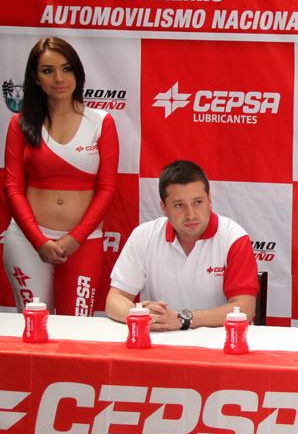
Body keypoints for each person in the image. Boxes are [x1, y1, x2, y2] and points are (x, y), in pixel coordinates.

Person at [3, 37, 118, 315]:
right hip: (27, 242)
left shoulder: (102, 122)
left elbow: (106, 189)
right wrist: (38, 241)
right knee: (32, 326)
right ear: (35, 78)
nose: (59, 78)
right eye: (47, 70)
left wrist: (74, 238)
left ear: (78, 72)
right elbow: (12, 187)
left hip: (83, 243)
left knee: (77, 333)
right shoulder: (20, 122)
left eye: (67, 69)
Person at [105, 160, 258, 330]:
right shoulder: (144, 235)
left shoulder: (234, 237)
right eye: (179, 205)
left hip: (219, 346)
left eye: (197, 202)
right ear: (164, 207)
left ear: (209, 199)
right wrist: (141, 315)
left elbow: (245, 308)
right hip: (160, 343)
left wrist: (182, 319)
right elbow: (114, 300)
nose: (190, 214)